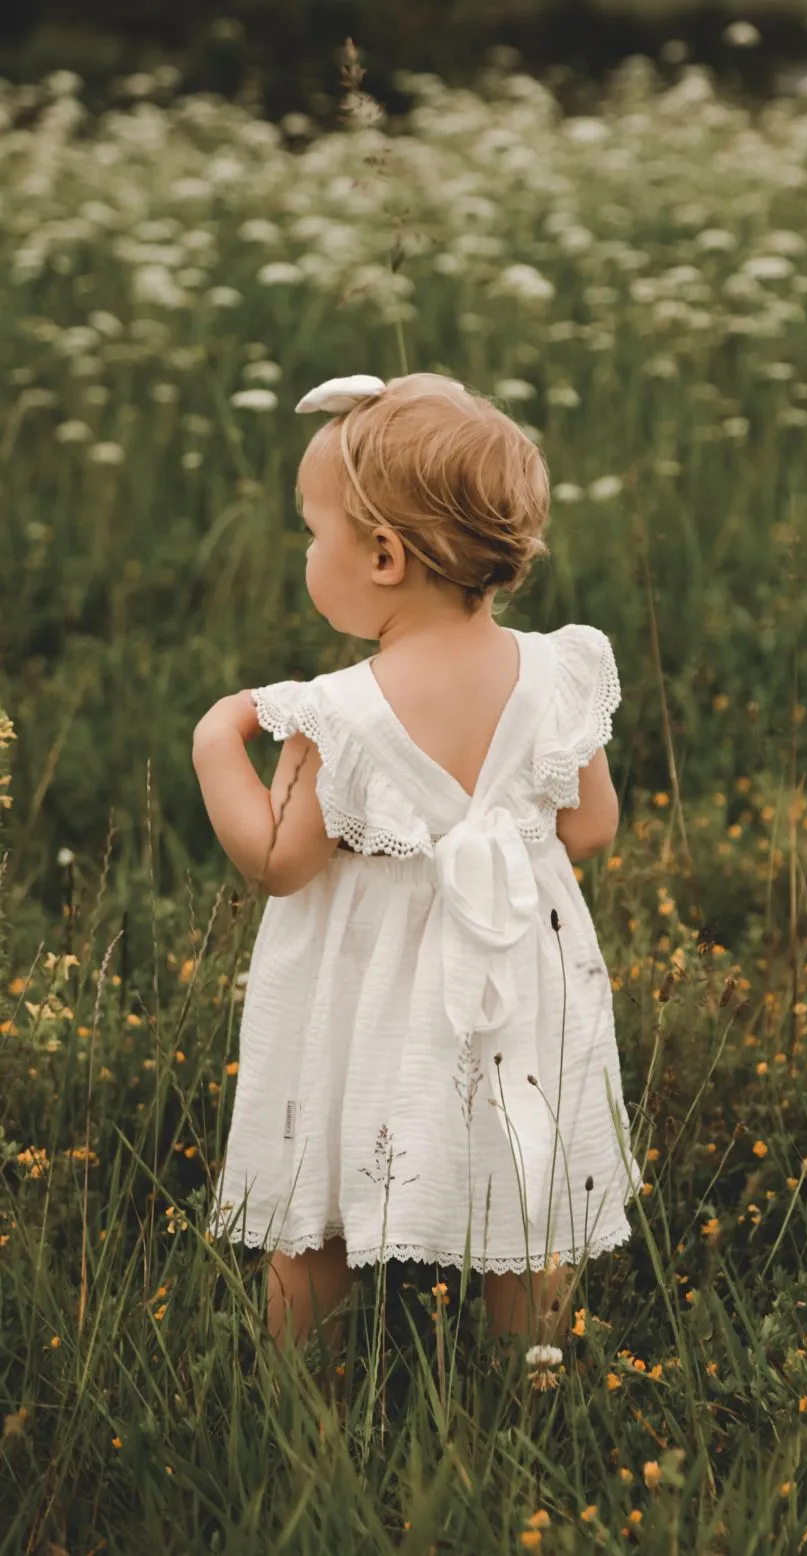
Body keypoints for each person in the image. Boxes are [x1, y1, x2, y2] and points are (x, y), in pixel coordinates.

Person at [192, 371, 641, 1369]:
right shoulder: (560, 672)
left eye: (314, 534)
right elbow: (594, 826)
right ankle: (532, 1374)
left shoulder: (337, 715)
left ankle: (303, 1393)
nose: (308, 553)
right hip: (519, 971)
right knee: (524, 1164)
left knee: (322, 1200)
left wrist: (216, 739)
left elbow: (277, 859)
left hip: (370, 996)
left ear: (384, 555)